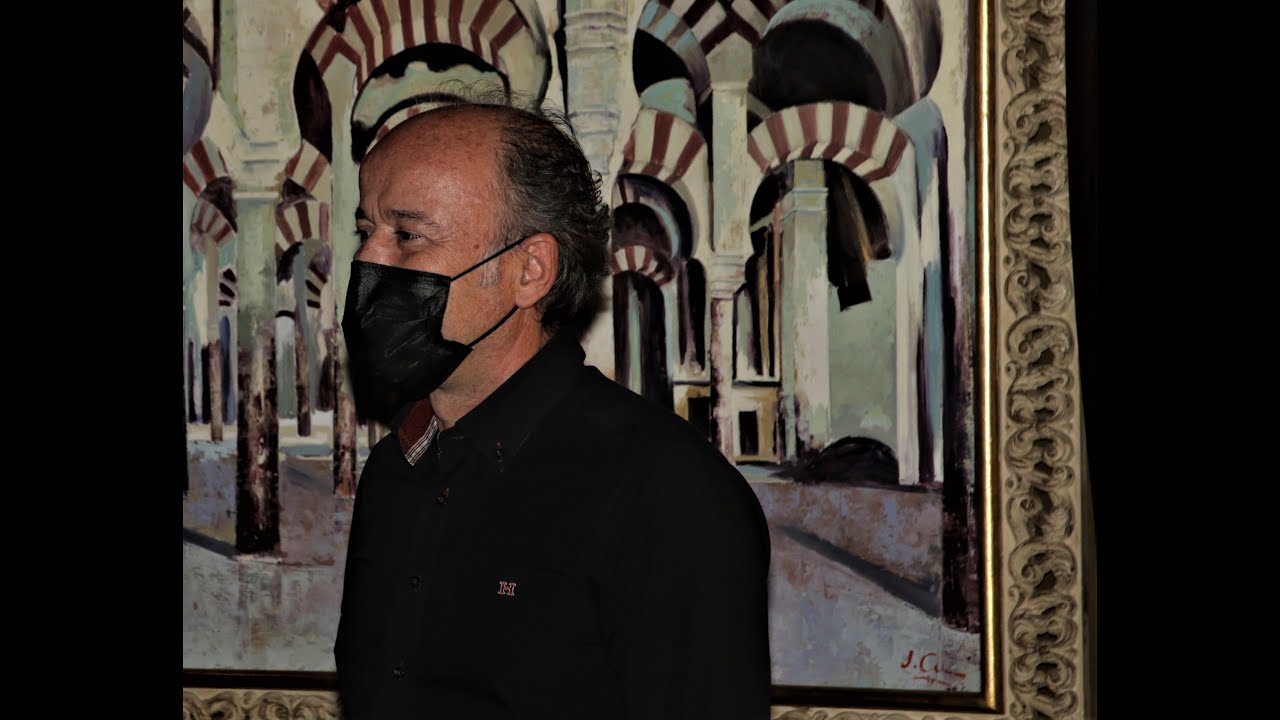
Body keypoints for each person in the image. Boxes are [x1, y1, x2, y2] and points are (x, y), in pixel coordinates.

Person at [333, 94, 772, 720]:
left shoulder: (666, 492)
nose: (367, 261)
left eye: (407, 235)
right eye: (365, 232)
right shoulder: (395, 470)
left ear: (530, 270)